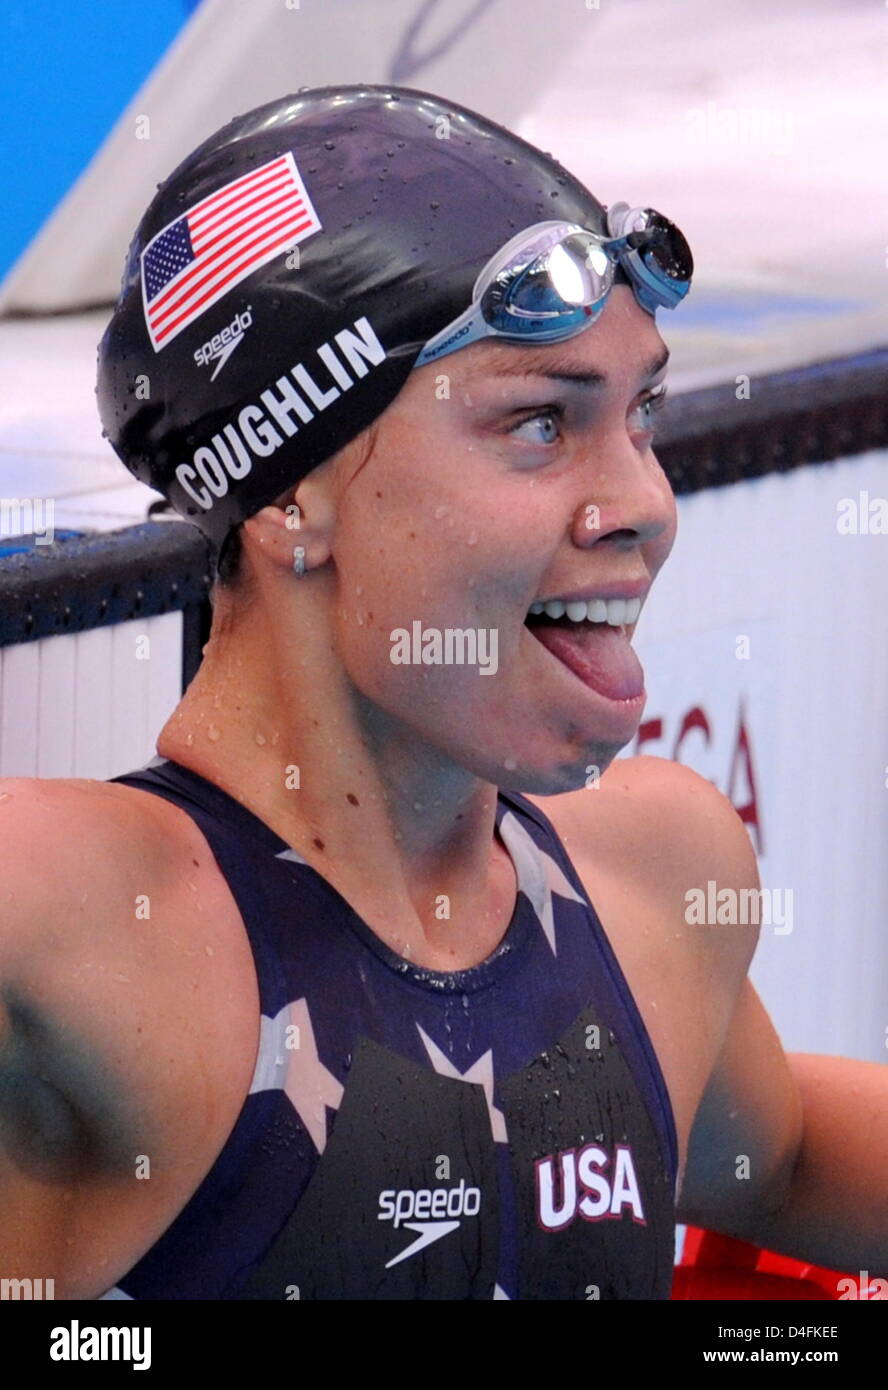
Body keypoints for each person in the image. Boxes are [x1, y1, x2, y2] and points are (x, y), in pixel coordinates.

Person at [1, 84, 885, 1300]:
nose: (644, 504)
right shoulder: (72, 922)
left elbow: (776, 1160)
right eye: (539, 425)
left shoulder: (652, 885)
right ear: (288, 496)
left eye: (642, 416)